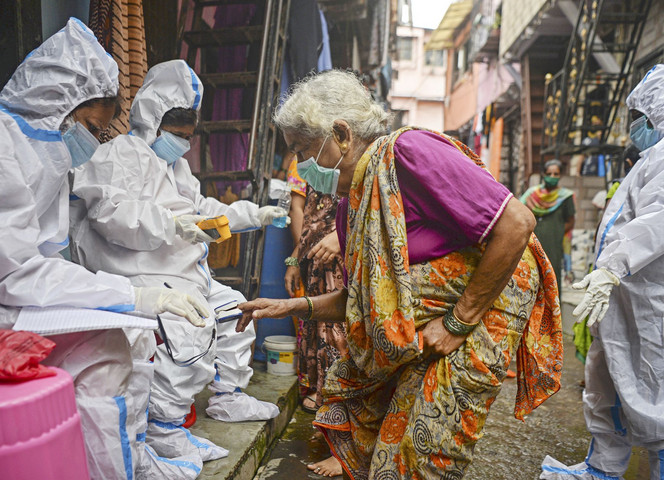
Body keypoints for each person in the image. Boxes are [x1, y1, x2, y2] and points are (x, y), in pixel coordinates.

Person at [236, 70, 563, 479]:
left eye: (303, 150)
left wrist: (458, 323)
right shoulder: (349, 206)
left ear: (341, 134)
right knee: (390, 445)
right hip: (425, 327)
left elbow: (516, 223)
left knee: (425, 451)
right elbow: (364, 300)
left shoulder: (408, 152)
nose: (300, 166)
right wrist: (292, 306)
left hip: (479, 313)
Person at [0, 18, 209, 480]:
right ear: (59, 104)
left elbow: (40, 257)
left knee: (138, 334)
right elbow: (12, 272)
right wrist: (133, 295)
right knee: (106, 347)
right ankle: (114, 469)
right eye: (90, 126)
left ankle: (132, 455)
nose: (91, 141)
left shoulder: (39, 150)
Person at [70, 59, 283, 469]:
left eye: (188, 136)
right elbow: (110, 216)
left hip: (183, 269)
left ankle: (227, 397)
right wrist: (174, 225)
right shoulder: (121, 154)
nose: (183, 143)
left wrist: (252, 215)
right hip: (140, 268)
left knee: (239, 309)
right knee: (192, 331)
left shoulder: (176, 165)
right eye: (177, 134)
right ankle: (165, 430)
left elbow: (203, 210)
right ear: (153, 119)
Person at [541, 64, 664, 480]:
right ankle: (602, 468)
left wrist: (612, 267)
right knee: (606, 378)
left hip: (648, 300)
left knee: (651, 386)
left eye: (642, 116)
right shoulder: (649, 160)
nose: (635, 125)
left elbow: (656, 222)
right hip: (622, 296)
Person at [284, 158, 347, 477]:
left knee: (340, 341)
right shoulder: (306, 161)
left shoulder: (350, 160)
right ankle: (329, 418)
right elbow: (299, 211)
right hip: (315, 257)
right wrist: (297, 257)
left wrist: (342, 237)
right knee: (319, 336)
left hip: (345, 258)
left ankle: (342, 436)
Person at [521, 159, 576, 290]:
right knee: (531, 278)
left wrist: (556, 233)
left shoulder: (565, 197)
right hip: (532, 244)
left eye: (556, 174)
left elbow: (570, 221)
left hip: (554, 247)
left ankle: (553, 310)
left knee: (551, 280)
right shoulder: (532, 194)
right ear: (543, 174)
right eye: (549, 174)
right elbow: (520, 213)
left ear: (560, 176)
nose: (552, 177)